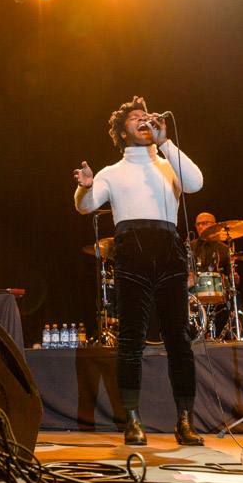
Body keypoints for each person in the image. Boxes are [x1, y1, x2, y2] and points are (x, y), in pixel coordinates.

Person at [74, 97, 204, 447]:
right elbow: (86, 207)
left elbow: (195, 184)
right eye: (135, 118)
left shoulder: (168, 163)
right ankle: (132, 419)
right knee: (131, 340)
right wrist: (84, 187)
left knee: (179, 340)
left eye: (146, 116)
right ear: (121, 132)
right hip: (131, 251)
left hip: (168, 249)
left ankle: (185, 421)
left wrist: (166, 142)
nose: (143, 119)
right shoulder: (111, 173)